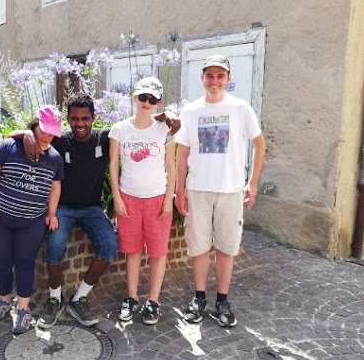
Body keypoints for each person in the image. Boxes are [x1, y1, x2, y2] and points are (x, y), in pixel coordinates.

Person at [14, 94, 180, 329]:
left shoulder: (106, 137)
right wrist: (28, 134)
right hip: (63, 208)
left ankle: (79, 298)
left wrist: (168, 114)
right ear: (68, 119)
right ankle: (54, 299)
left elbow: (139, 121)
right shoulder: (60, 140)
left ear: (93, 117)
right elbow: (18, 136)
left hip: (92, 208)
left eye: (85, 118)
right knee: (55, 244)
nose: (79, 123)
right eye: (74, 119)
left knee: (110, 245)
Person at [175, 55, 265, 328]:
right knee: (199, 248)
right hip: (198, 190)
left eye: (220, 76)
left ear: (228, 79)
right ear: (202, 78)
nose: (214, 81)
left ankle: (222, 301)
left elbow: (259, 144)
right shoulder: (191, 111)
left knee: (226, 248)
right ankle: (199, 298)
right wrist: (179, 190)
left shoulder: (240, 108)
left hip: (230, 190)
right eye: (210, 76)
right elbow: (182, 154)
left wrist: (252, 183)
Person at [0, 106, 64, 334]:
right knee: (1, 263)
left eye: (52, 132)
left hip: (32, 223)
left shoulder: (55, 158)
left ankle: (23, 309)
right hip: (0, 220)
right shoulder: (10, 147)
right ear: (35, 125)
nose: (46, 136)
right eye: (43, 130)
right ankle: (4, 301)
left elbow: (55, 187)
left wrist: (51, 213)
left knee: (25, 264)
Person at [109, 77, 175, 325]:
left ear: (159, 103)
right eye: (143, 97)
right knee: (132, 251)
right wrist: (117, 198)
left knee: (157, 253)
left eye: (153, 99)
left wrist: (168, 199)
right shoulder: (120, 129)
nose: (147, 103)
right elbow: (113, 165)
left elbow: (171, 166)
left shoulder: (165, 129)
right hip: (129, 198)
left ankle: (153, 301)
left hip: (157, 198)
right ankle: (132, 297)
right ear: (134, 97)